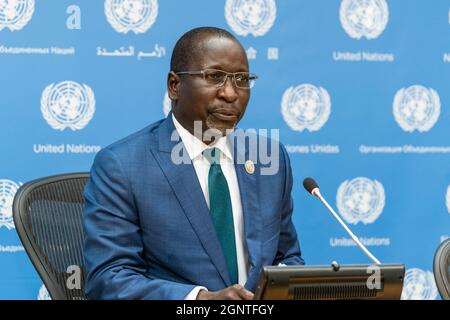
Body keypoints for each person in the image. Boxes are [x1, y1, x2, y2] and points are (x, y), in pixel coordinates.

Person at [83, 26, 304, 300]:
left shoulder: (268, 157)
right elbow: (109, 279)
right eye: (214, 77)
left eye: (242, 79)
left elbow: (287, 258)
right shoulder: (122, 166)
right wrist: (200, 300)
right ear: (174, 86)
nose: (231, 94)